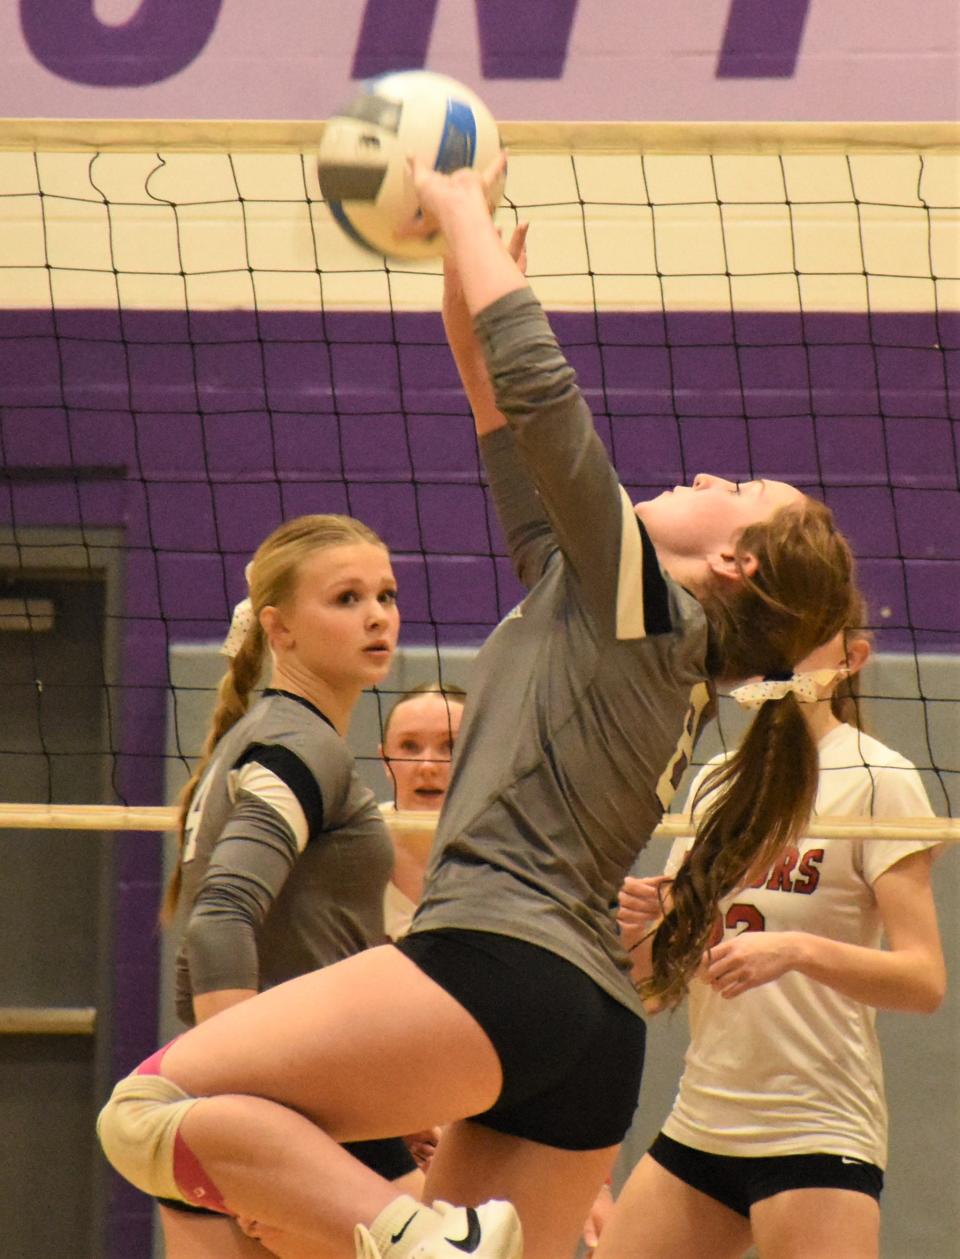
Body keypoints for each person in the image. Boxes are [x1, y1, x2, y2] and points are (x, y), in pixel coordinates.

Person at [97, 158, 863, 1259]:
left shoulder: (648, 604)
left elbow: (548, 403)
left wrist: (454, 204)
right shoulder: (597, 598)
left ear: (733, 562)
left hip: (497, 965)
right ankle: (424, 1238)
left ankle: (417, 1233)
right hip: (585, 1032)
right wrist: (472, 262)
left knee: (147, 1112)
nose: (702, 474)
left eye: (730, 489)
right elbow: (498, 404)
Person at [595, 627, 945, 1259]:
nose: (780, 647)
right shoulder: (718, 781)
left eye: (805, 631)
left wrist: (797, 949)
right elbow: (655, 979)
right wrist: (638, 925)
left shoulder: (877, 777)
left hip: (814, 1131)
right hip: (703, 1122)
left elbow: (924, 981)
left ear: (851, 659)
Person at [157, 513, 425, 1259]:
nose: (377, 615)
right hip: (287, 1110)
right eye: (345, 598)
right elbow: (219, 918)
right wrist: (246, 1108)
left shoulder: (275, 734)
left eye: (387, 594)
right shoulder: (298, 745)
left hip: (274, 1106)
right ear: (279, 629)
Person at [379, 682, 466, 939]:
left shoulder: (512, 855)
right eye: (410, 746)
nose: (427, 765)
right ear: (384, 760)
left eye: (450, 746)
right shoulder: (347, 848)